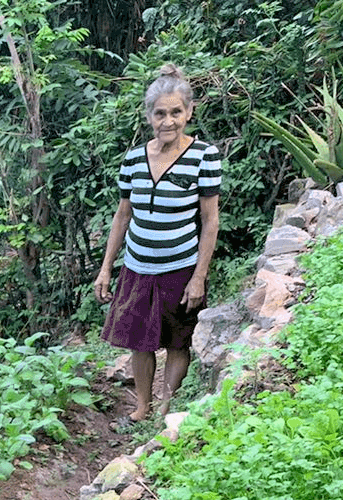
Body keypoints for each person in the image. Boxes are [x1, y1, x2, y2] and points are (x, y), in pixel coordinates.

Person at [93, 64, 221, 425]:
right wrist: (106, 269)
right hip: (137, 266)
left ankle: (167, 404)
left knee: (178, 340)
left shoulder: (204, 156)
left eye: (176, 112)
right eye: (160, 113)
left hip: (180, 267)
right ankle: (142, 406)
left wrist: (199, 277)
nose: (169, 121)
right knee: (140, 340)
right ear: (149, 115)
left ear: (189, 112)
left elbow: (210, 221)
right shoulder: (134, 159)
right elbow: (122, 216)